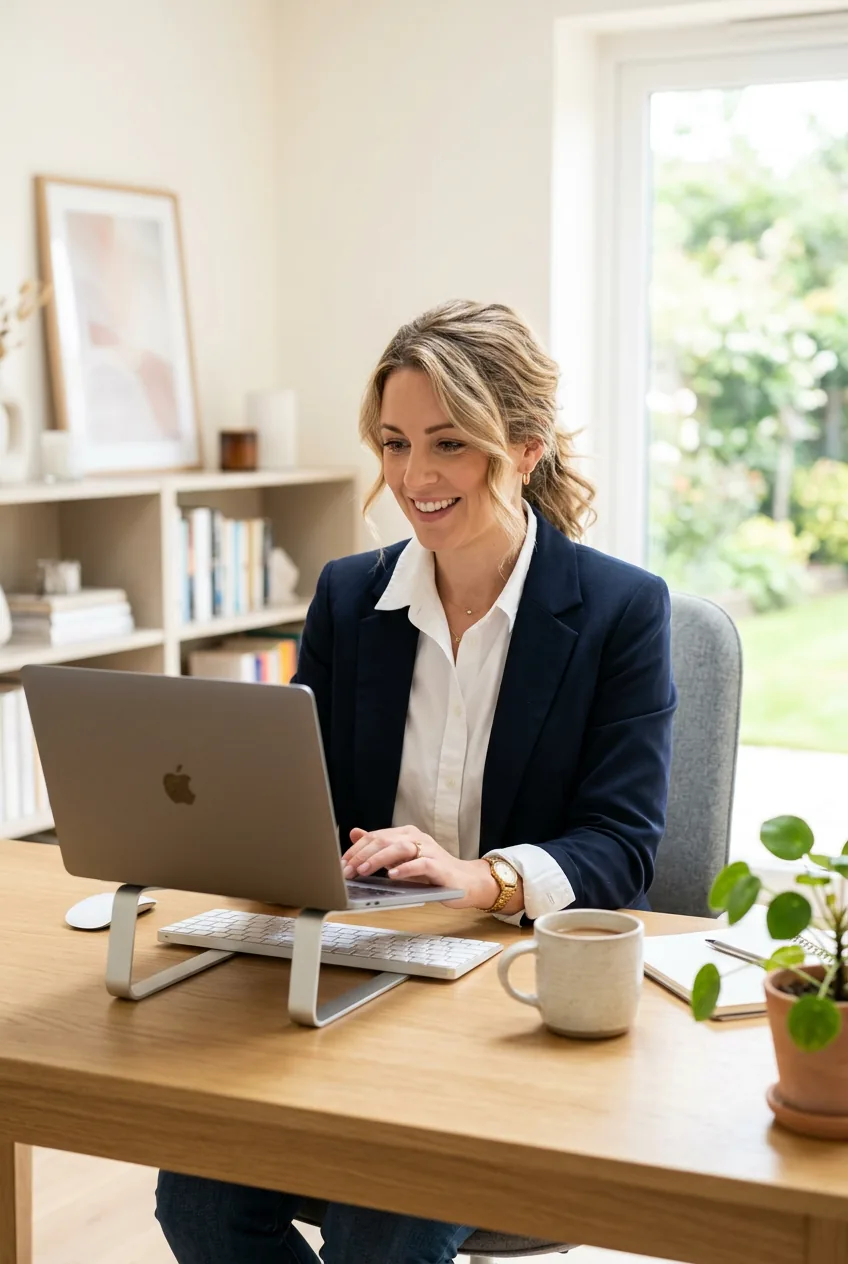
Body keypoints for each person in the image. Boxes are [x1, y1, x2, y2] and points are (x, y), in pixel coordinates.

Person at [155, 300, 677, 1264]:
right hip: (350, 978)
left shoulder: (621, 612)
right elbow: (293, 800)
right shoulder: (351, 598)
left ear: (522, 449)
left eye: (449, 444)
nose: (414, 478)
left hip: (507, 1000)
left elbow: (624, 842)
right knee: (196, 1189)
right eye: (395, 444)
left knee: (380, 1212)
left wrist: (479, 877)